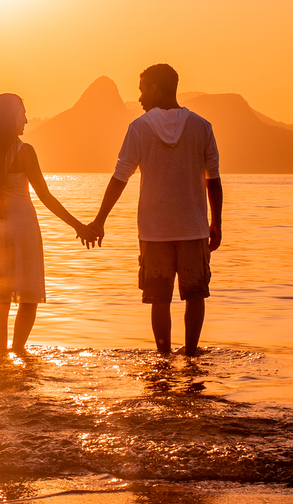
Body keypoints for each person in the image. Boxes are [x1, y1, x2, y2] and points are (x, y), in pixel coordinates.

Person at [87, 64, 223, 356]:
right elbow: (214, 179)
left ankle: (162, 359)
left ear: (154, 89)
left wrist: (100, 220)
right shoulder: (201, 126)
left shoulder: (139, 128)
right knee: (195, 295)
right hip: (194, 227)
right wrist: (216, 222)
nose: (139, 98)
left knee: (159, 298)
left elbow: (120, 177)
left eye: (141, 90)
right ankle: (190, 355)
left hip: (154, 230)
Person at [0, 93, 95, 357]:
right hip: (23, 229)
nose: (26, 120)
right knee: (28, 297)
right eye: (22, 114)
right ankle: (19, 351)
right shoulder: (25, 152)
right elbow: (46, 197)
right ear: (9, 118)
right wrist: (78, 226)